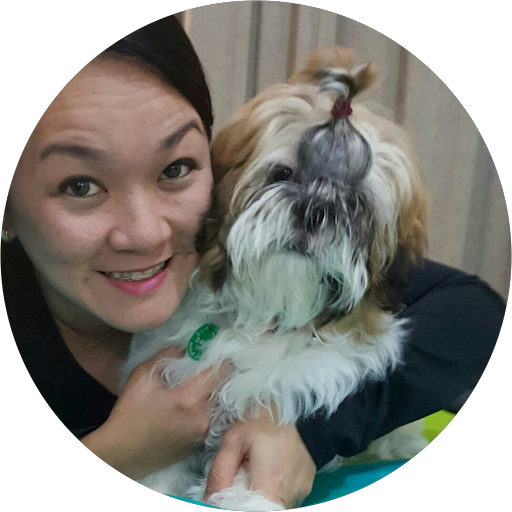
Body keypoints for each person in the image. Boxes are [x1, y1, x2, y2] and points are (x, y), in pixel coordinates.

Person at [2, 15, 504, 509]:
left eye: (175, 168)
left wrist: (311, 429)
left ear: (214, 164)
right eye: (79, 185)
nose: (146, 233)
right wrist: (119, 451)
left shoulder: (212, 251)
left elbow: (476, 310)